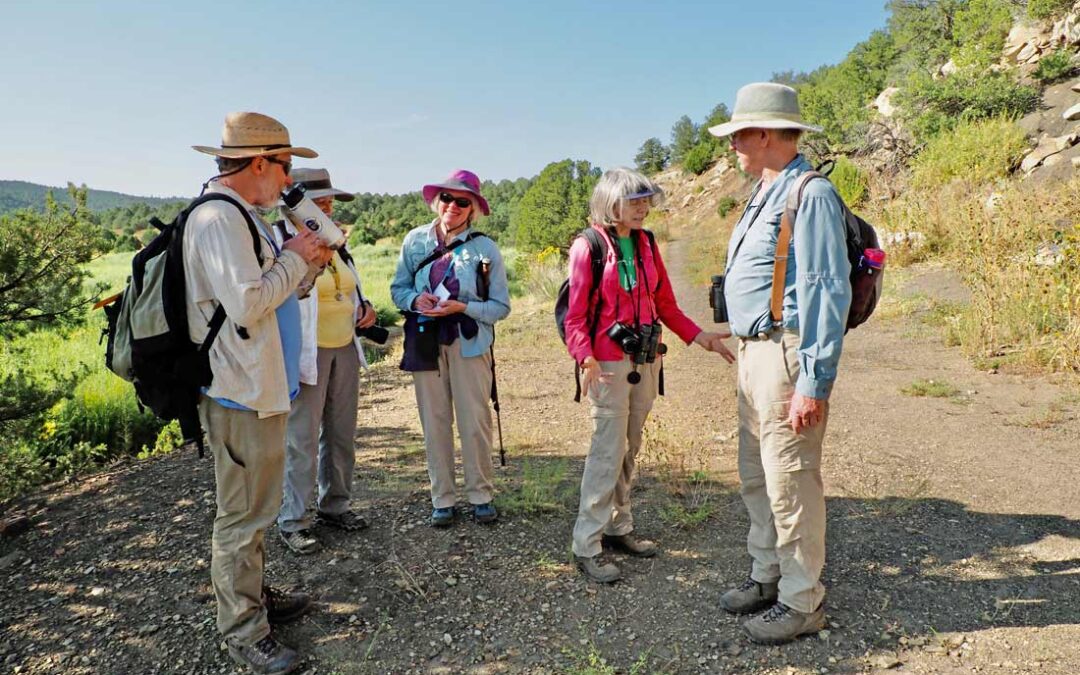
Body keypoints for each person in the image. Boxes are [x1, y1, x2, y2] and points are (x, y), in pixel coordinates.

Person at [187, 112, 333, 674]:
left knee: (257, 507)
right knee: (243, 516)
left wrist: (305, 265)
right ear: (259, 163)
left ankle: (254, 598)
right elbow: (248, 303)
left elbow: (264, 296)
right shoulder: (220, 219)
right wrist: (296, 254)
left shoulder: (242, 216)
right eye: (285, 165)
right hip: (238, 392)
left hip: (256, 385)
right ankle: (244, 630)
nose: (288, 178)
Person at [706, 83, 852, 644]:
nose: (734, 146)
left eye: (739, 135)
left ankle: (801, 600)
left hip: (785, 357)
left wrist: (813, 382)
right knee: (755, 476)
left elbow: (824, 291)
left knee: (790, 479)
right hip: (753, 352)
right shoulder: (766, 190)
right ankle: (767, 575)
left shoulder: (809, 194)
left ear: (765, 134)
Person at [564, 167, 735, 583]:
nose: (643, 207)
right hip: (606, 365)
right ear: (610, 203)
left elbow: (665, 304)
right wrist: (585, 358)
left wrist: (701, 338)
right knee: (606, 450)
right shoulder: (589, 247)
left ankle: (619, 526)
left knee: (629, 447)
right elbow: (574, 317)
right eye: (634, 200)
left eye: (646, 200)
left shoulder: (646, 244)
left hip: (645, 359)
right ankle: (586, 543)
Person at [390, 170, 510, 527]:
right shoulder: (414, 242)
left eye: (462, 201)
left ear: (473, 209)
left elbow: (500, 308)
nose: (452, 207)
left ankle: (481, 496)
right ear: (436, 201)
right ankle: (441, 498)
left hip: (469, 344)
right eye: (447, 198)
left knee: (474, 422)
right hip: (425, 342)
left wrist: (463, 308)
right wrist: (416, 299)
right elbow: (398, 290)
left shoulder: (485, 248)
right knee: (435, 422)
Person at [276, 167, 376, 555]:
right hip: (307, 351)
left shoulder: (338, 245)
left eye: (331, 201)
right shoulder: (283, 242)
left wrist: (364, 308)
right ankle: (294, 520)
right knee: (301, 438)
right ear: (297, 206)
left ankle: (335, 506)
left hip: (344, 348)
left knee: (341, 433)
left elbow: (350, 290)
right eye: (321, 201)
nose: (329, 207)